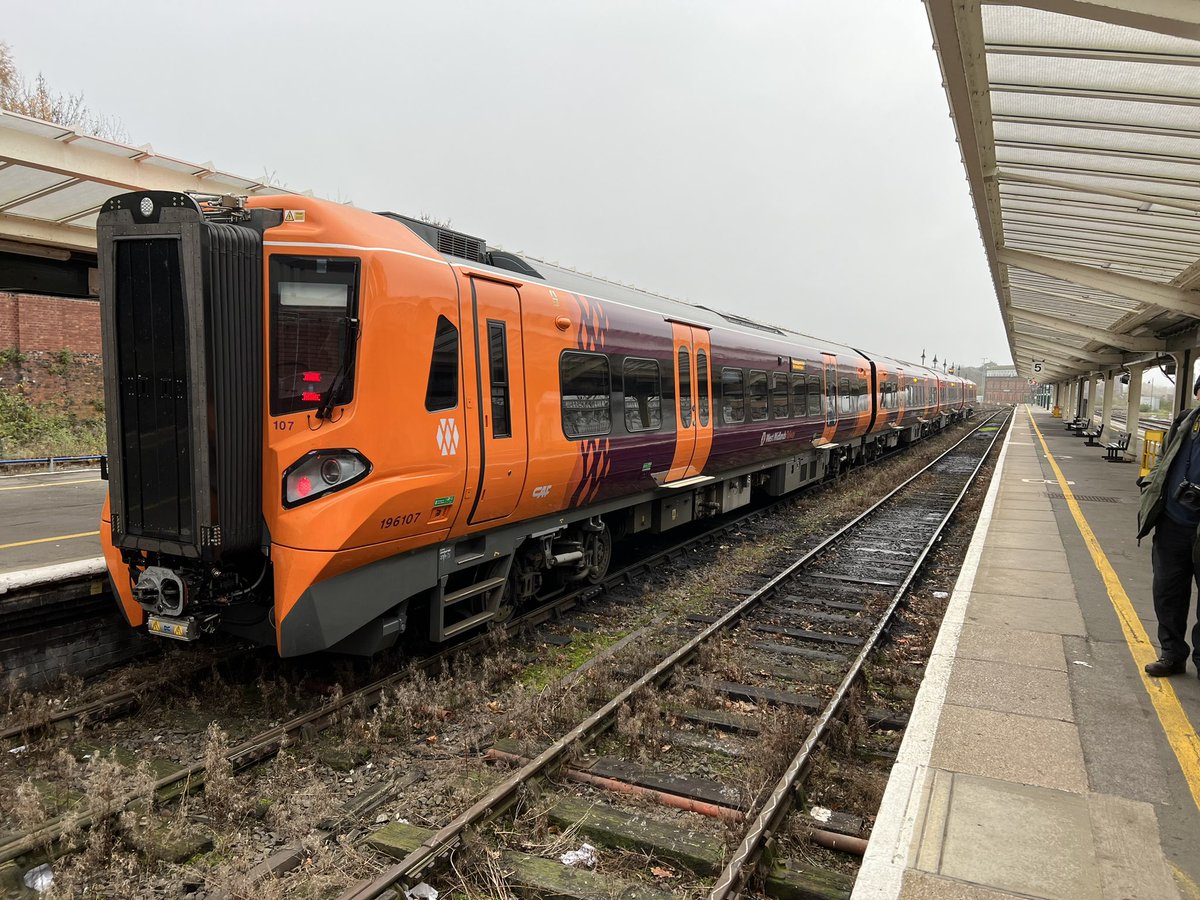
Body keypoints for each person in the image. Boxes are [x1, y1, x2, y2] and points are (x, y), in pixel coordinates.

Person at [1137, 373, 1200, 677]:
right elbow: (1163, 459)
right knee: (1167, 593)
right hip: (1173, 523)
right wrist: (1151, 483)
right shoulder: (1185, 423)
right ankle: (1172, 654)